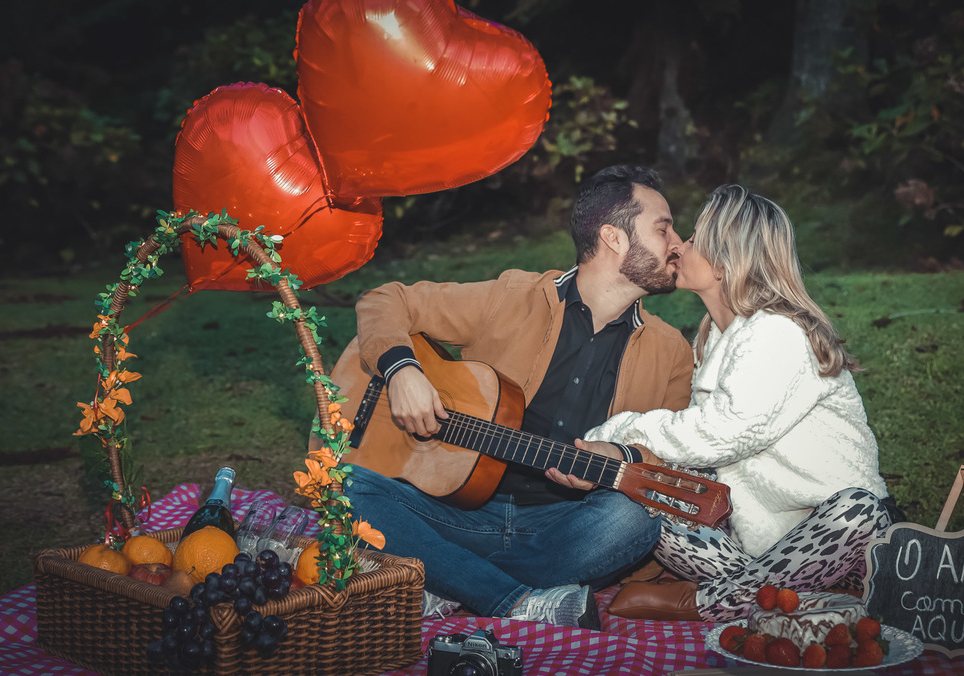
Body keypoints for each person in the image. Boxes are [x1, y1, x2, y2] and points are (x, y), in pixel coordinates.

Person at [342, 165, 695, 628]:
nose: (678, 243)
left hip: (558, 528)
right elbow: (385, 299)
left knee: (635, 518)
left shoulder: (670, 350)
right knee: (346, 485)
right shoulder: (512, 297)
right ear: (613, 237)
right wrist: (402, 370)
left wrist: (624, 454)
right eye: (663, 227)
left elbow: (672, 461)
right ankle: (517, 600)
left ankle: (445, 578)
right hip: (451, 510)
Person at [574, 184, 898, 622]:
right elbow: (697, 453)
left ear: (725, 263)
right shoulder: (713, 337)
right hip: (762, 549)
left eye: (692, 239)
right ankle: (790, 599)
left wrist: (620, 430)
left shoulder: (778, 332)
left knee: (858, 510)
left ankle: (708, 602)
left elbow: (723, 434)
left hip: (834, 536)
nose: (679, 246)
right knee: (647, 496)